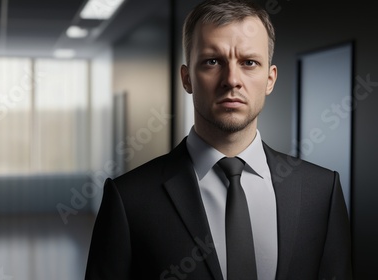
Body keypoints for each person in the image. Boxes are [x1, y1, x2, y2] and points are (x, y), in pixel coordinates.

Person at [85, 0, 352, 279]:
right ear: (187, 78)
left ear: (270, 79)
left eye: (249, 62)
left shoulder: (321, 192)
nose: (232, 80)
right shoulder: (129, 199)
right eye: (213, 62)